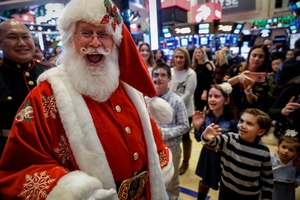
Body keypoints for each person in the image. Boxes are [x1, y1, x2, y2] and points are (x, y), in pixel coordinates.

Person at [0, 0, 174, 199]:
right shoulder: (45, 96)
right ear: (70, 39)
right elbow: (20, 168)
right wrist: (77, 193)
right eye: (86, 33)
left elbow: (151, 137)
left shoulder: (129, 88)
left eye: (103, 34)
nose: (95, 43)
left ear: (114, 42)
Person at [0, 19, 52, 157]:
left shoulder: (52, 72)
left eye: (25, 37)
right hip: (11, 153)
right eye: (12, 37)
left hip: (52, 150)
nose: (21, 43)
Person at [201, 108, 273, 200]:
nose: (242, 125)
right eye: (241, 121)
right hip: (226, 190)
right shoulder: (230, 138)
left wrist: (266, 197)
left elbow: (267, 177)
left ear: (261, 132)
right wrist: (206, 137)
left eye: (249, 124)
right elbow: (214, 142)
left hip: (249, 195)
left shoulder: (264, 151)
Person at [145, 63, 189, 200]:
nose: (159, 78)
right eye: (156, 75)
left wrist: (162, 133)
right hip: (152, 149)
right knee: (154, 179)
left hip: (172, 148)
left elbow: (184, 126)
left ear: (169, 79)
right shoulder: (146, 99)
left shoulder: (176, 101)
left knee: (172, 181)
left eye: (163, 75)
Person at [193, 82, 238, 200]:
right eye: (210, 96)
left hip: (224, 157)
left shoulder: (232, 121)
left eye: (217, 96)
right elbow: (199, 139)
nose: (212, 99)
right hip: (207, 154)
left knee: (224, 182)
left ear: (226, 101)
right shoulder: (206, 117)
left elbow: (235, 143)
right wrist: (198, 128)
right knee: (205, 181)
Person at [169, 47, 197, 175]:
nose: (179, 59)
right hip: (169, 110)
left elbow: (188, 95)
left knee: (185, 136)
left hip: (185, 110)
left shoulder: (190, 73)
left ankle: (185, 162)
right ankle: (170, 159)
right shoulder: (170, 71)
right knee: (171, 134)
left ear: (186, 58)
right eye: (176, 57)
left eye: (181, 57)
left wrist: (173, 105)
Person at [224, 44, 270, 116]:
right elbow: (222, 85)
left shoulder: (263, 77)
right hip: (230, 109)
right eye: (254, 55)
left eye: (261, 56)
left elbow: (254, 102)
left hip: (248, 113)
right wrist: (238, 78)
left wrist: (248, 91)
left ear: (265, 59)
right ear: (249, 56)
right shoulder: (235, 68)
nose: (256, 59)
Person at [271, 130, 300, 200]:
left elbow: (299, 175)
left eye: (291, 150)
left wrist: (297, 181)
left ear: (296, 152)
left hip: (287, 192)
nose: (286, 151)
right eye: (284, 147)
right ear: (278, 146)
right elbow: (262, 172)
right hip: (271, 190)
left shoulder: (296, 163)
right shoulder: (270, 158)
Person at [191, 47, 214, 112]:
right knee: (198, 108)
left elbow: (209, 79)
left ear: (203, 54)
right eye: (196, 52)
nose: (197, 54)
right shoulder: (194, 66)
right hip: (196, 90)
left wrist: (205, 91)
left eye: (199, 52)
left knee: (205, 109)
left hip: (204, 89)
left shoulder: (207, 64)